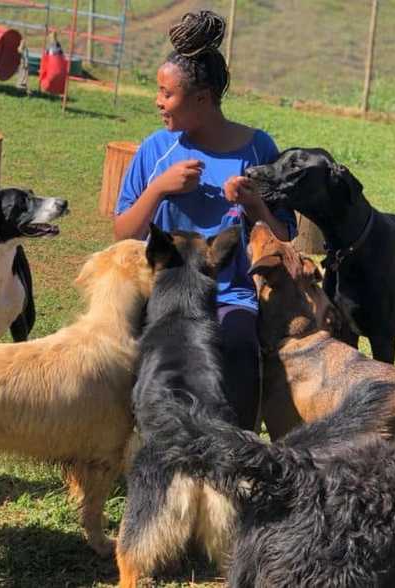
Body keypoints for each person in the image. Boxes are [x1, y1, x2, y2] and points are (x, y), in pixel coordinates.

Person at [113, 10, 296, 432]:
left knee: (236, 342)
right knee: (131, 343)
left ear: (202, 98)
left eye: (167, 93)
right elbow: (123, 234)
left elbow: (285, 237)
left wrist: (256, 209)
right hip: (162, 291)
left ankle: (240, 446)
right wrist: (158, 188)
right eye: (159, 91)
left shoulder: (258, 149)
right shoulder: (157, 149)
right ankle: (144, 441)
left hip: (229, 296)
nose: (158, 101)